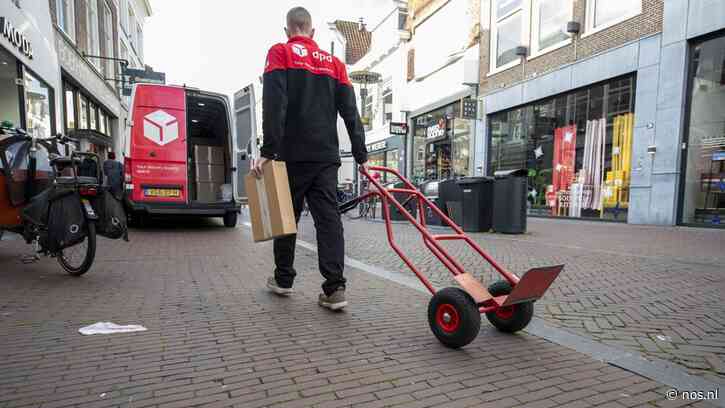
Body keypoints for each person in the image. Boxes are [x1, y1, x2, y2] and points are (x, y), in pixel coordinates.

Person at [252, 7, 367, 310]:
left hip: (291, 155)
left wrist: (267, 151)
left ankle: (283, 279)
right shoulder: (334, 64)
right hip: (326, 157)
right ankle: (335, 289)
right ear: (312, 32)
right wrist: (360, 154)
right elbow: (351, 114)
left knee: (285, 219)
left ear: (288, 30)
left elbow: (274, 103)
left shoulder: (280, 53)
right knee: (329, 221)